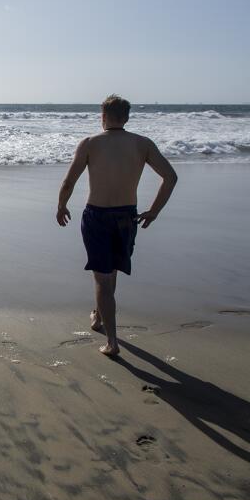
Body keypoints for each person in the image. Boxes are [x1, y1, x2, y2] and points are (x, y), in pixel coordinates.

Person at [56, 95, 178, 357]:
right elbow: (170, 177)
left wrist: (61, 205)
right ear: (126, 117)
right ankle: (99, 317)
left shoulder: (90, 144)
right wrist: (154, 211)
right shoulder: (142, 144)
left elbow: (69, 182)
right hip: (127, 216)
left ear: (102, 116)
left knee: (102, 278)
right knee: (109, 275)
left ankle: (112, 342)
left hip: (97, 215)